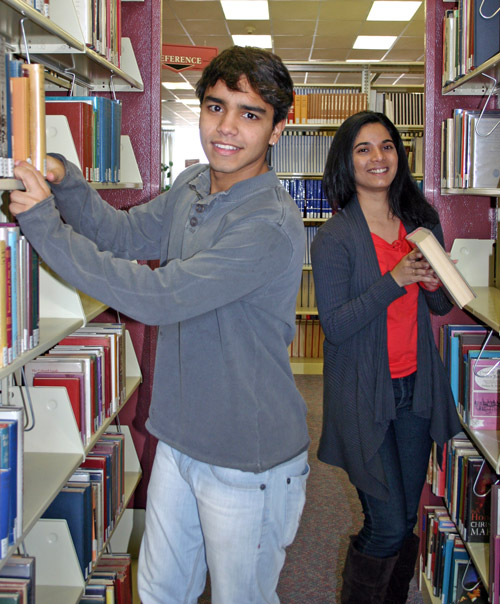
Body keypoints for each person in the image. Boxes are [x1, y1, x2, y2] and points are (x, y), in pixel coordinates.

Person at [9, 46, 310, 604]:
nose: (226, 128)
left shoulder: (268, 224)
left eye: (250, 114)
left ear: (277, 128)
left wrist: (43, 225)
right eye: (216, 107)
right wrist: (66, 182)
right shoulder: (194, 185)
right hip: (179, 437)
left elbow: (159, 297)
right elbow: (122, 234)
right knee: (160, 592)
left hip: (248, 457)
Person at [310, 110, 461, 604]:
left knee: (406, 516)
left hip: (415, 388)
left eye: (387, 146)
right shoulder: (335, 237)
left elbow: (438, 305)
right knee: (388, 522)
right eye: (364, 149)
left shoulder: (421, 222)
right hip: (362, 394)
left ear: (400, 153)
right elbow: (335, 326)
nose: (379, 157)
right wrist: (394, 281)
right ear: (346, 162)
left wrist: (433, 283)